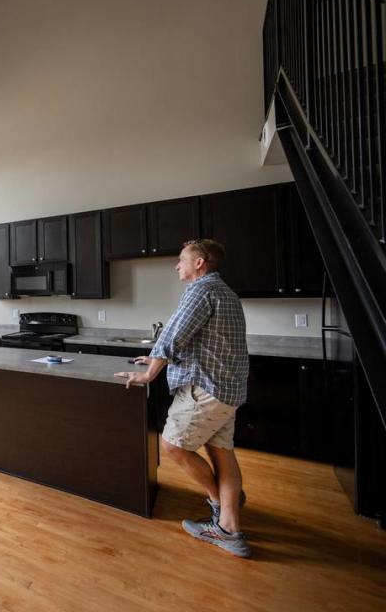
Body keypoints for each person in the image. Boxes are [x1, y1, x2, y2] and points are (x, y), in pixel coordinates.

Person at [114, 239, 251, 558]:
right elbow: (198, 342)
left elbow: (172, 337)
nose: (177, 265)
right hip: (227, 389)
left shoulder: (200, 291)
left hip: (205, 388)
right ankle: (229, 521)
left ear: (200, 263)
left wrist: (149, 374)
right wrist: (155, 360)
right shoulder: (226, 292)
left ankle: (222, 511)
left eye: (181, 260)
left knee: (173, 446)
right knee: (222, 452)